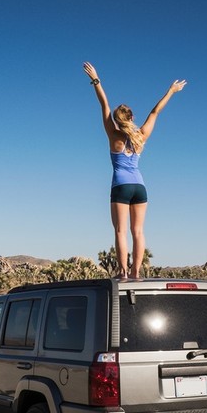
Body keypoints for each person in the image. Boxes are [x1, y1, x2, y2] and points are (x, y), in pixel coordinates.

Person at [82, 61, 186, 279]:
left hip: (121, 186)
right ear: (131, 118)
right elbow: (155, 112)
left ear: (117, 121)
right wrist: (171, 91)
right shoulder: (141, 136)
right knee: (138, 232)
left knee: (120, 231)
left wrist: (96, 80)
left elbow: (104, 105)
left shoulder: (113, 134)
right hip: (140, 187)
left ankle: (122, 273)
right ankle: (136, 272)